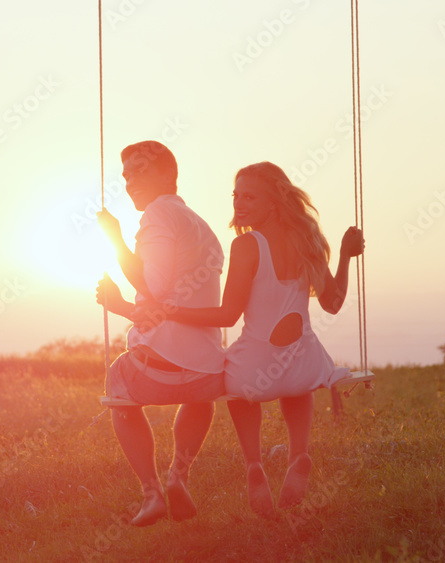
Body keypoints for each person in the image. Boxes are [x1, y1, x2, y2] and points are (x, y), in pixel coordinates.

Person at [128, 161, 365, 515]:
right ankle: (299, 454)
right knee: (295, 385)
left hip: (254, 372)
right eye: (236, 195)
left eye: (250, 197)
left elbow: (227, 316)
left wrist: (168, 310)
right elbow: (332, 303)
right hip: (307, 362)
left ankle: (254, 465)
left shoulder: (247, 245)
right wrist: (345, 256)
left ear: (274, 202)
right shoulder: (308, 240)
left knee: (233, 385)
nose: (239, 204)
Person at [94, 140, 226, 526]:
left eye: (140, 170)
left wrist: (115, 240)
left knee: (118, 380)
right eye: (125, 174)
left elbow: (155, 288)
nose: (130, 180)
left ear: (169, 174)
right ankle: (178, 476)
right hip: (207, 374)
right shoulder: (201, 225)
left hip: (157, 371)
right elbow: (172, 304)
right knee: (200, 399)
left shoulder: (156, 216)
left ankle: (151, 492)